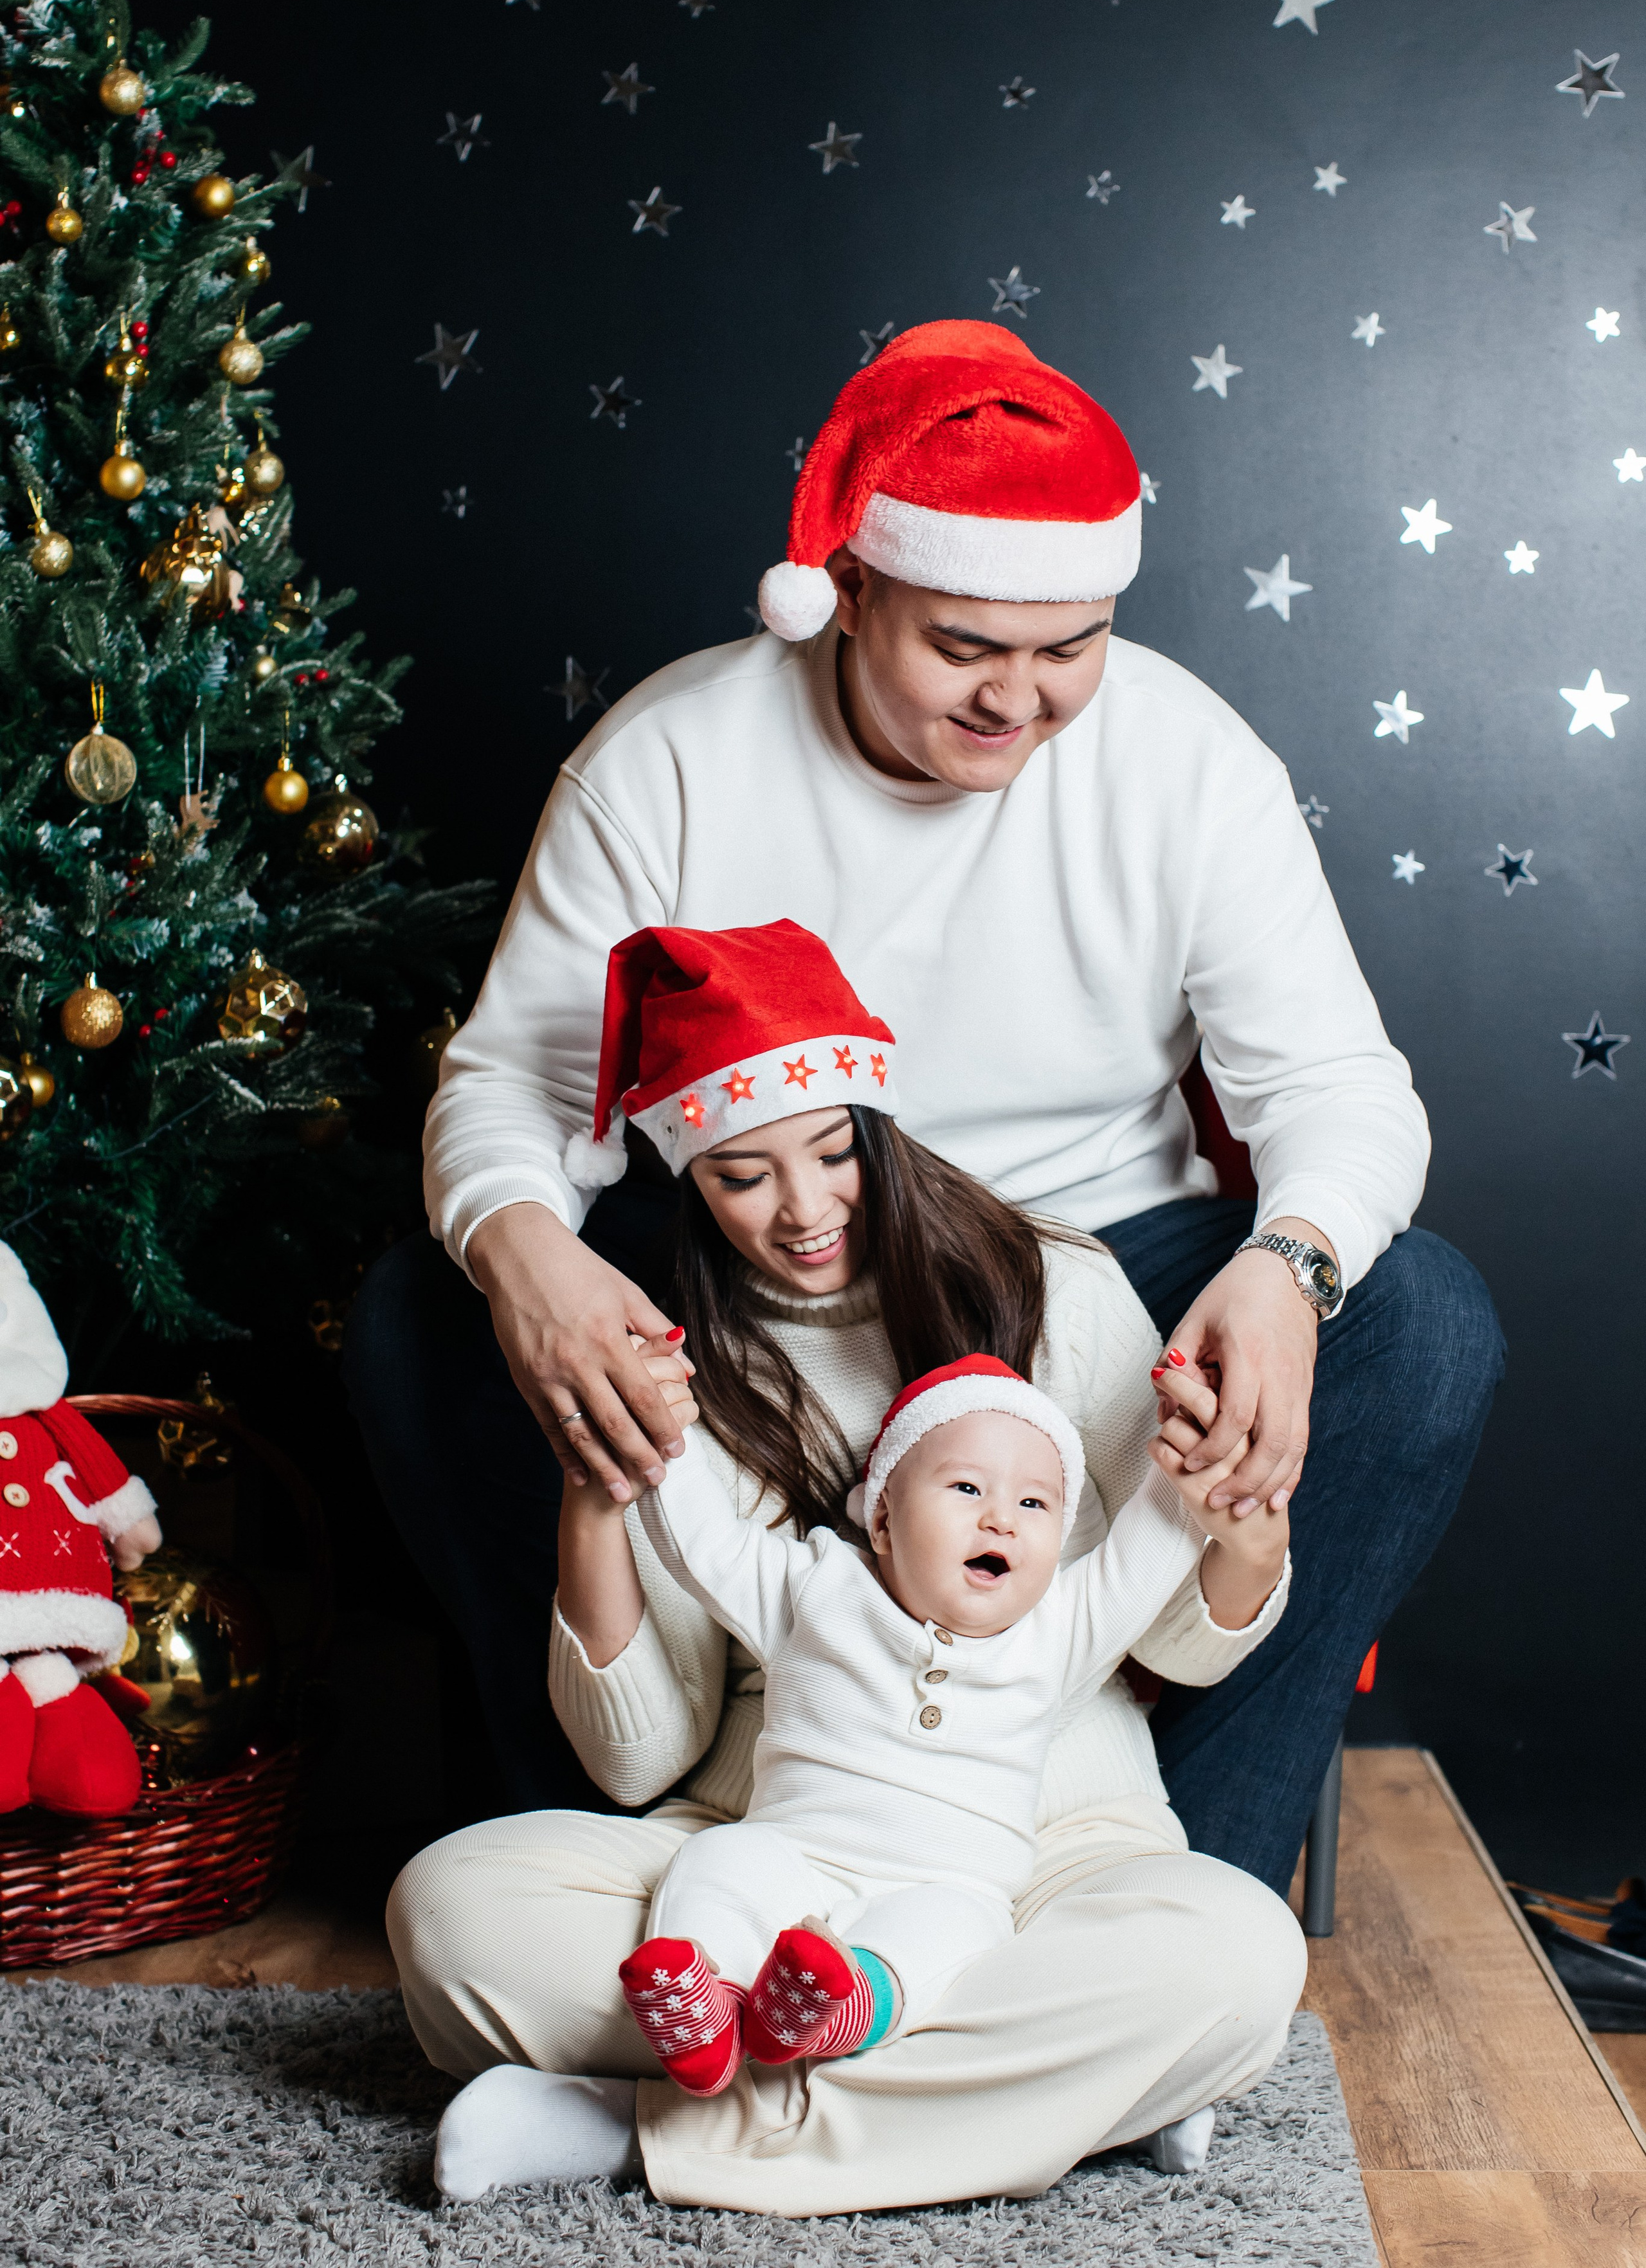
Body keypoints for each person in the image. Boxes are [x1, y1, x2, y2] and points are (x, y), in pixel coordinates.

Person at [347, 316, 1504, 1889]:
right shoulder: (670, 756)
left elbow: (1336, 1086)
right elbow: (510, 1085)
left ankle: (1166, 1883)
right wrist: (523, 1255)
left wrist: (1287, 1272)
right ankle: (608, 1859)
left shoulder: (1186, 757)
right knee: (426, 1315)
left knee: (1420, 1324)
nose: (1016, 700)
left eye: (1067, 648)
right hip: (763, 1277)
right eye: (963, 647)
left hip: (1091, 1266)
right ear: (848, 589)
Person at [391, 921, 1307, 2216]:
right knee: (452, 1915)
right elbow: (639, 1762)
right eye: (743, 1175)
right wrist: (599, 1491)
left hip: (1050, 1846)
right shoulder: (679, 1373)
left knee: (1237, 1956)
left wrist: (1244, 1528)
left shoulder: (1060, 1286)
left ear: (879, 1125)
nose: (807, 1210)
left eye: (834, 1152)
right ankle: (1076, 2093)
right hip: (764, 1835)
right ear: (689, 1177)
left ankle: (622, 2128)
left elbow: (1169, 1639)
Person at [617, 1348, 1288, 2094]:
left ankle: (840, 2010)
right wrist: (662, 1420)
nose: (1000, 1517)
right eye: (967, 1488)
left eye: (1034, 1505)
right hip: (794, 1851)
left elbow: (1148, 1550)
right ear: (881, 1518)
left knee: (959, 1934)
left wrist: (1192, 1453)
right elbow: (702, 1544)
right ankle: (708, 2018)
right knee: (717, 1863)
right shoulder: (813, 1589)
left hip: (944, 1886)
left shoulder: (1059, 1629)